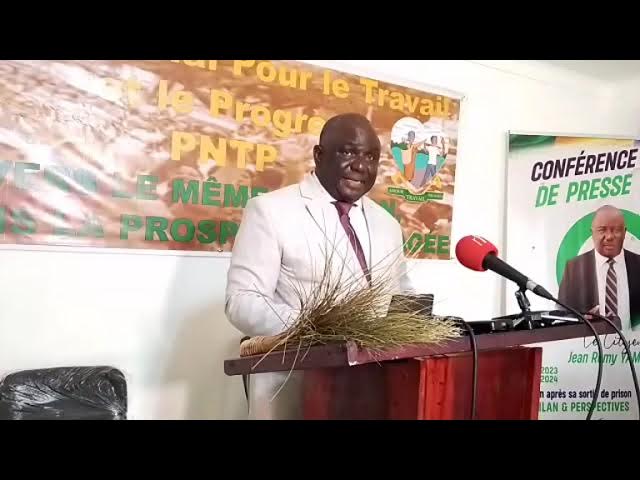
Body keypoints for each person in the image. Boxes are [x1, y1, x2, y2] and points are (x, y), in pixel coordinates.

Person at [225, 113, 413, 419]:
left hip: (375, 386)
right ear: (319, 155)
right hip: (294, 384)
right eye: (348, 152)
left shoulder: (387, 223)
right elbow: (242, 301)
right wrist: (319, 331)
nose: (360, 165)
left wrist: (421, 322)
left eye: (370, 156)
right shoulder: (271, 210)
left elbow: (402, 294)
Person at [558, 205, 640, 331]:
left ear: (624, 232)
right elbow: (562, 315)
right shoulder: (574, 268)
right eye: (602, 230)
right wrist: (581, 321)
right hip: (590, 341)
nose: (609, 236)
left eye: (616, 230)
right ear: (592, 233)